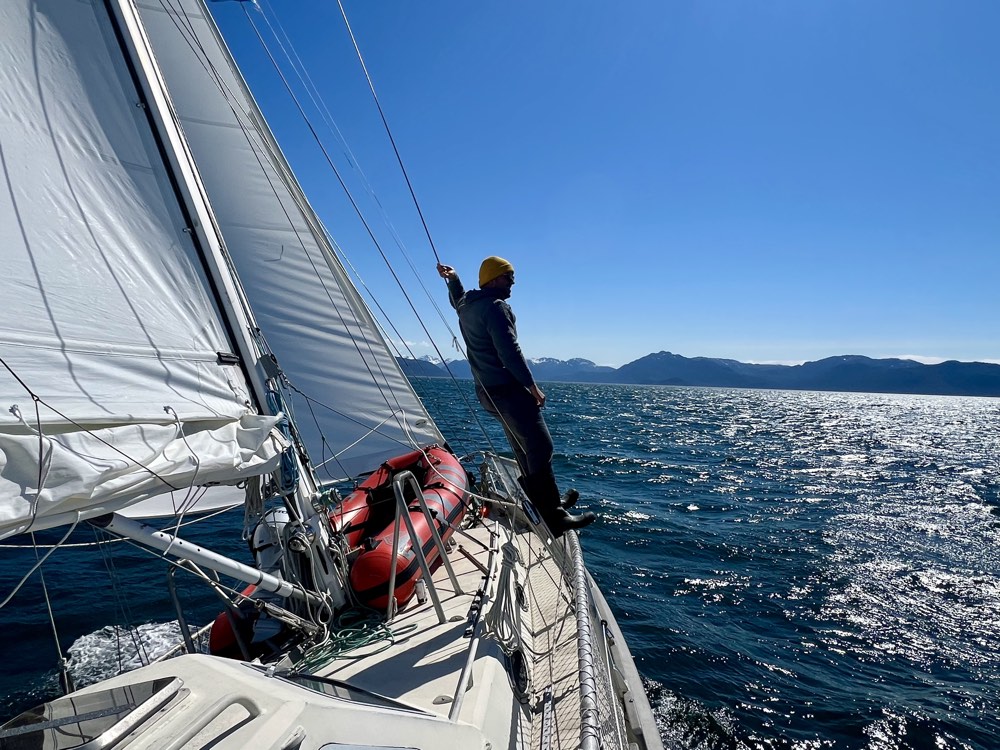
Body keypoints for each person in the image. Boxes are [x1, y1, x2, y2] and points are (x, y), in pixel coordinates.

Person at [437, 256, 596, 537]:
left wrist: (454, 279)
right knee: (540, 446)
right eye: (509, 277)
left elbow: (457, 299)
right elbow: (509, 351)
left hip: (487, 394)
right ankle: (554, 516)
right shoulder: (496, 308)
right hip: (509, 391)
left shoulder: (468, 306)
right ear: (495, 279)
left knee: (524, 447)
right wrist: (531, 385)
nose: (513, 283)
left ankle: (546, 502)